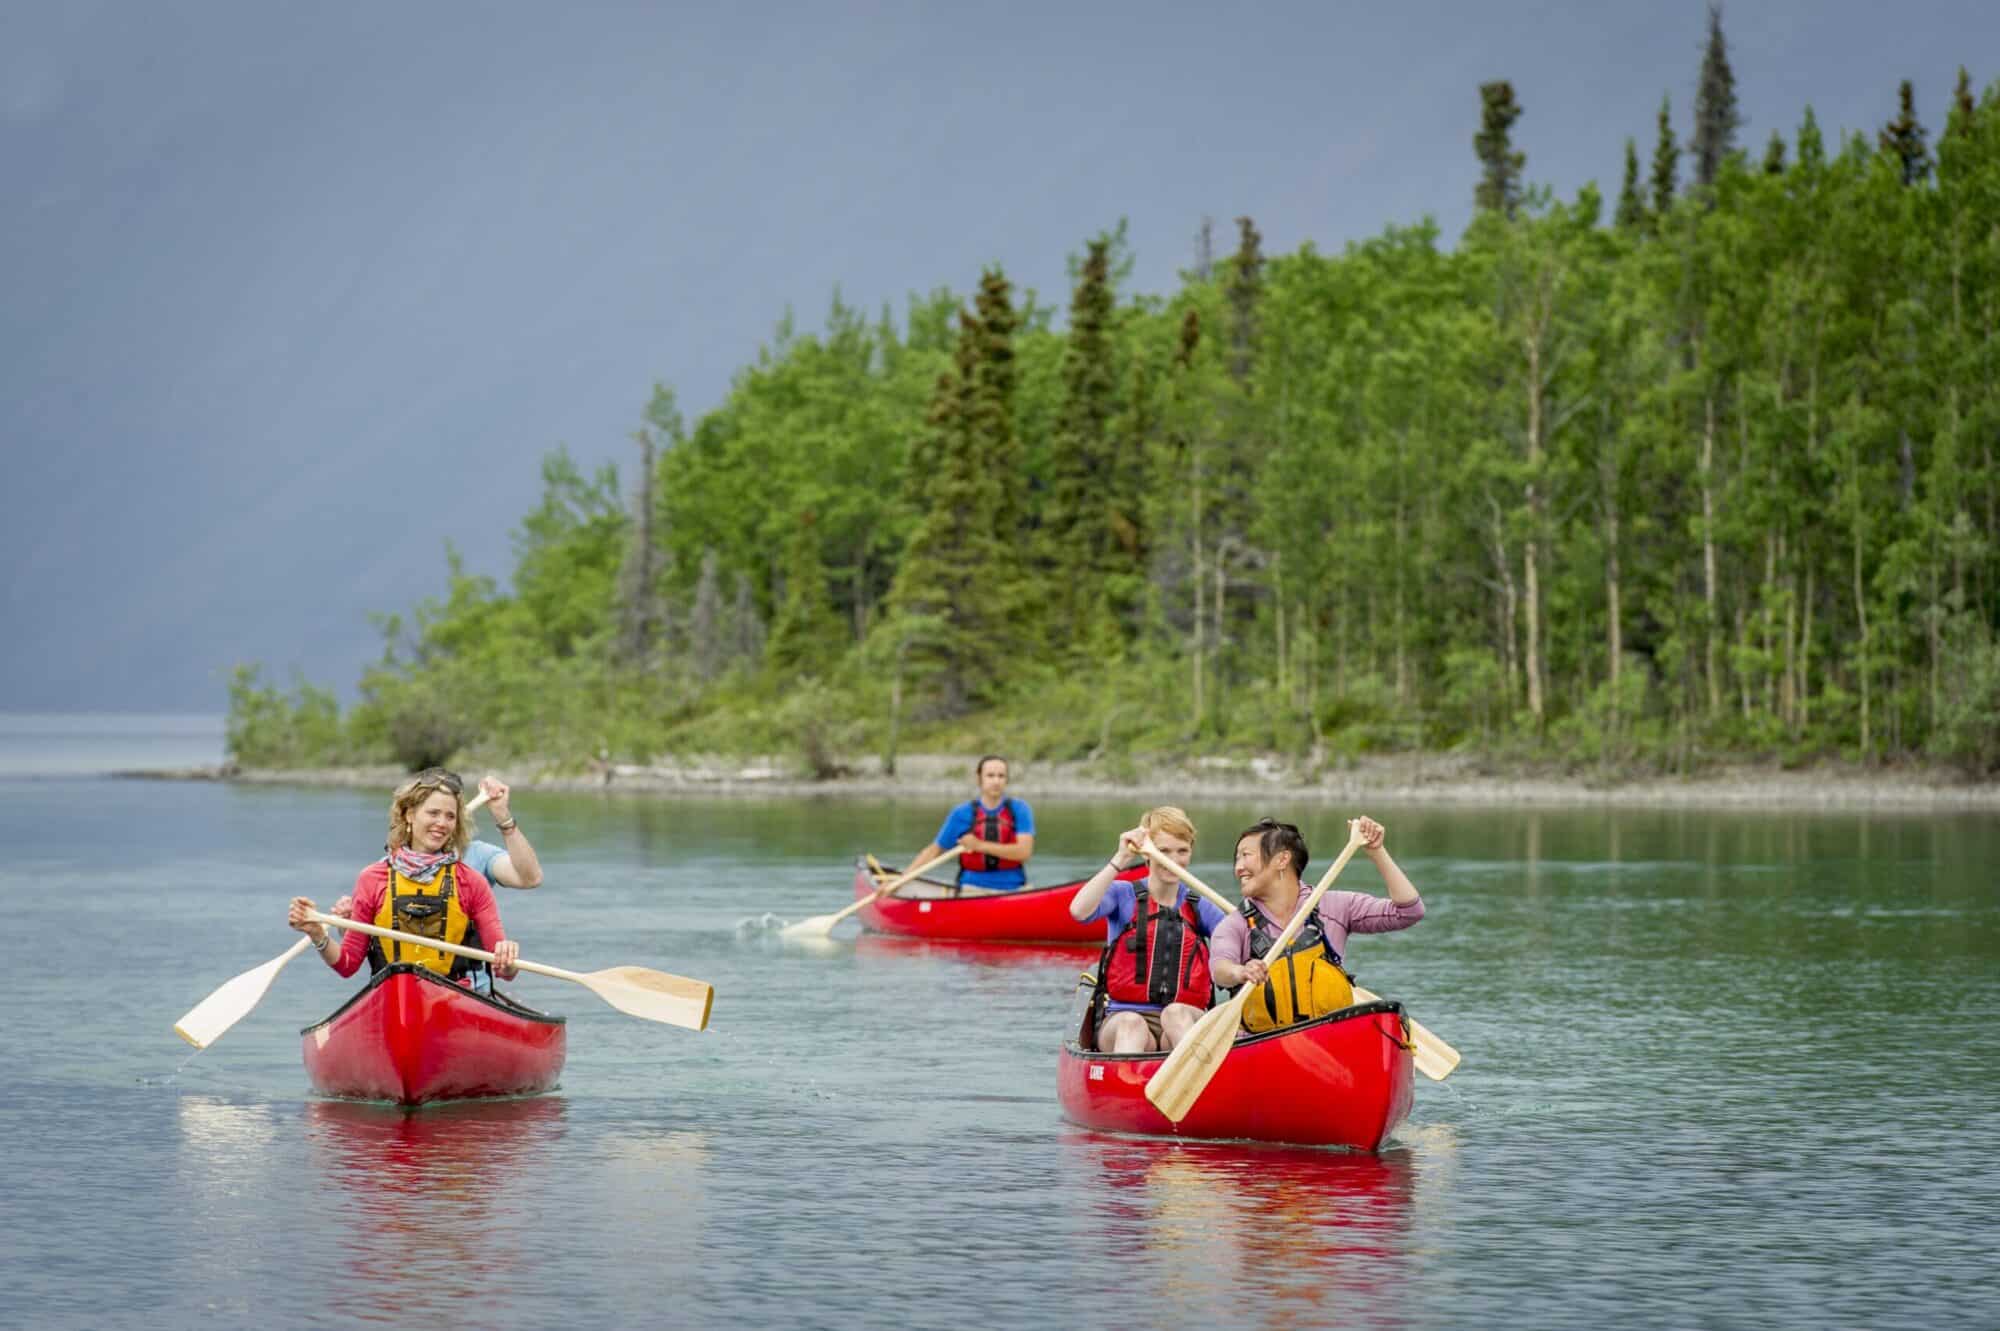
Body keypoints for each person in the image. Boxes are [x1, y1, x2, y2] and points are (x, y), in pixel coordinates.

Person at [288, 767, 521, 992]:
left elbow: (506, 973)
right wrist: (318, 934)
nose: (442, 823)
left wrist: (507, 957)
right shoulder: (373, 878)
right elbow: (347, 965)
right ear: (410, 815)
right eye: (433, 813)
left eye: (450, 816)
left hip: (455, 999)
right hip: (391, 997)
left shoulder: (471, 882)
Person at [1209, 816, 1423, 1032]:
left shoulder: (1336, 906)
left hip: (1330, 1038)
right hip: (1264, 1044)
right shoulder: (1235, 924)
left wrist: (1377, 852)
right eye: (1237, 859)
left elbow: (1408, 911)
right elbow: (1220, 969)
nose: (1238, 868)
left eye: (1246, 856)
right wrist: (1239, 972)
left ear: (1282, 860)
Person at [1068, 806, 1229, 1053]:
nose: (1173, 860)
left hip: (1180, 1022)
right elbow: (1079, 911)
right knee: (1132, 1024)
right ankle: (1127, 1085)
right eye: (1163, 851)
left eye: (1182, 851)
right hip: (1122, 1019)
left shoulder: (1200, 907)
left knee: (1175, 1014)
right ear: (1147, 855)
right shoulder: (1122, 895)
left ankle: (1191, 1080)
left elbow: (1239, 944)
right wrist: (1120, 858)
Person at [899, 755, 1035, 892]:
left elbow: (1024, 852)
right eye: (990, 776)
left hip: (1014, 889)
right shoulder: (961, 813)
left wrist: (979, 845)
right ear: (979, 778)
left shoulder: (1020, 809)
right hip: (971, 889)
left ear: (1006, 780)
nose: (996, 781)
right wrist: (900, 881)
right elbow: (934, 851)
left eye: (1001, 776)